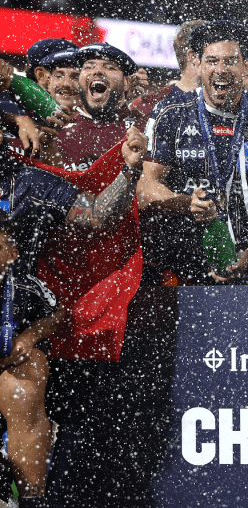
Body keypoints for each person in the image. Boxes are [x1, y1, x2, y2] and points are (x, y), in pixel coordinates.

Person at [0, 123, 147, 506]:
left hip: (13, 325)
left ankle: (31, 500)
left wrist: (129, 169)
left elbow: (98, 216)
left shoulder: (30, 184)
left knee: (25, 384)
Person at [138, 20, 248, 284]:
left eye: (231, 61)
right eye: (212, 60)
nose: (221, 70)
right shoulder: (172, 114)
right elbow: (145, 188)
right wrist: (186, 203)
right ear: (197, 64)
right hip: (184, 266)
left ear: (246, 67)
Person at [48, 43, 142, 171]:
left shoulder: (144, 128)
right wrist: (48, 148)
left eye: (110, 67)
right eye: (88, 66)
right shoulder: (58, 130)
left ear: (125, 83)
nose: (97, 71)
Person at [129, 19, 207, 121]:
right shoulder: (148, 105)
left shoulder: (228, 106)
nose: (222, 65)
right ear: (193, 57)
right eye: (214, 56)